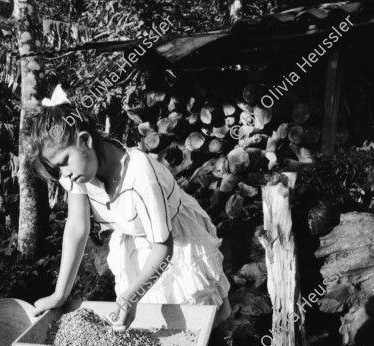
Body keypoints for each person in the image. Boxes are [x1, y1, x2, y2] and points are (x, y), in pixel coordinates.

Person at [28, 86, 231, 331]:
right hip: (138, 242)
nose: (65, 175)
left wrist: (132, 296)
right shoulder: (80, 173)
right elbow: (77, 227)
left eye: (64, 163)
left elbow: (163, 246)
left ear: (85, 141)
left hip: (175, 242)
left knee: (200, 321)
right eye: (58, 169)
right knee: (155, 325)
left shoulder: (140, 176)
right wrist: (60, 294)